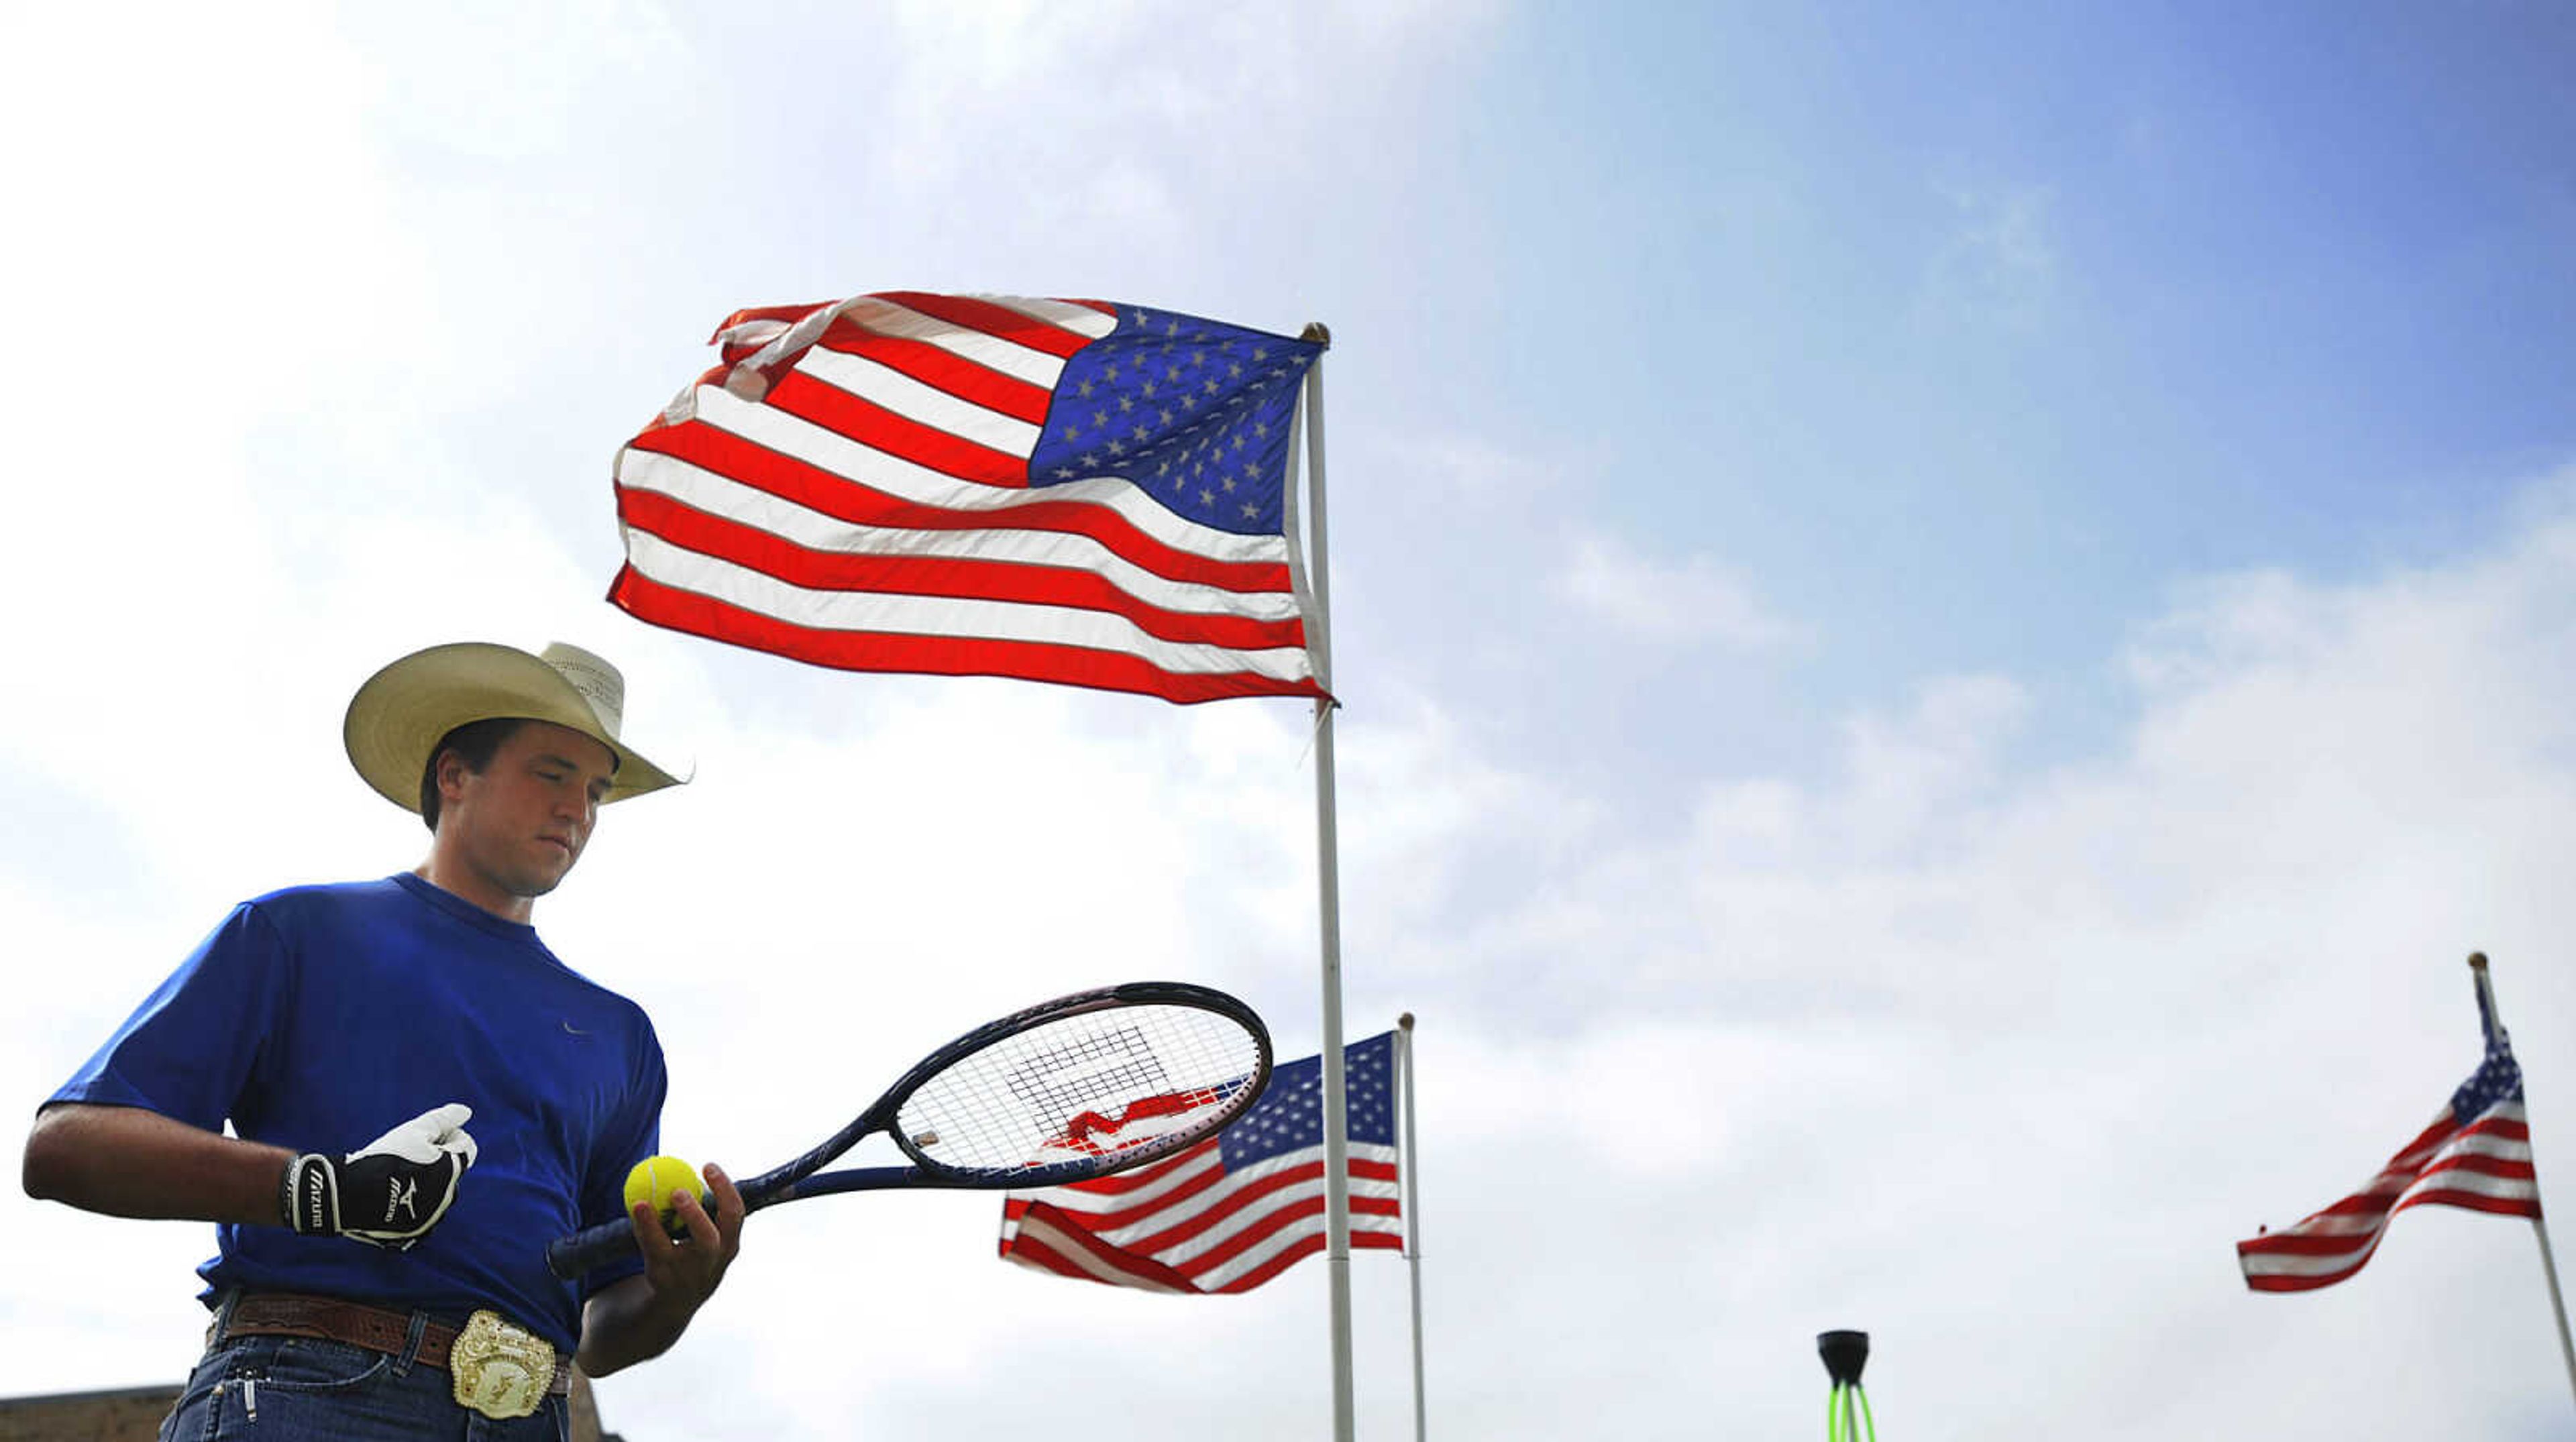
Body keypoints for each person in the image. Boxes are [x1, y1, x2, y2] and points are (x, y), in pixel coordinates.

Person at [21, 640, 743, 1439]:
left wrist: (679, 1291)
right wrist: (331, 1189)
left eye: (596, 790)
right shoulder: (298, 931)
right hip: (304, 1396)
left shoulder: (622, 1036)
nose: (577, 810)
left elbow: (604, 1332)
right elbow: (66, 1148)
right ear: (454, 775)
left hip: (532, 1414)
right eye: (550, 773)